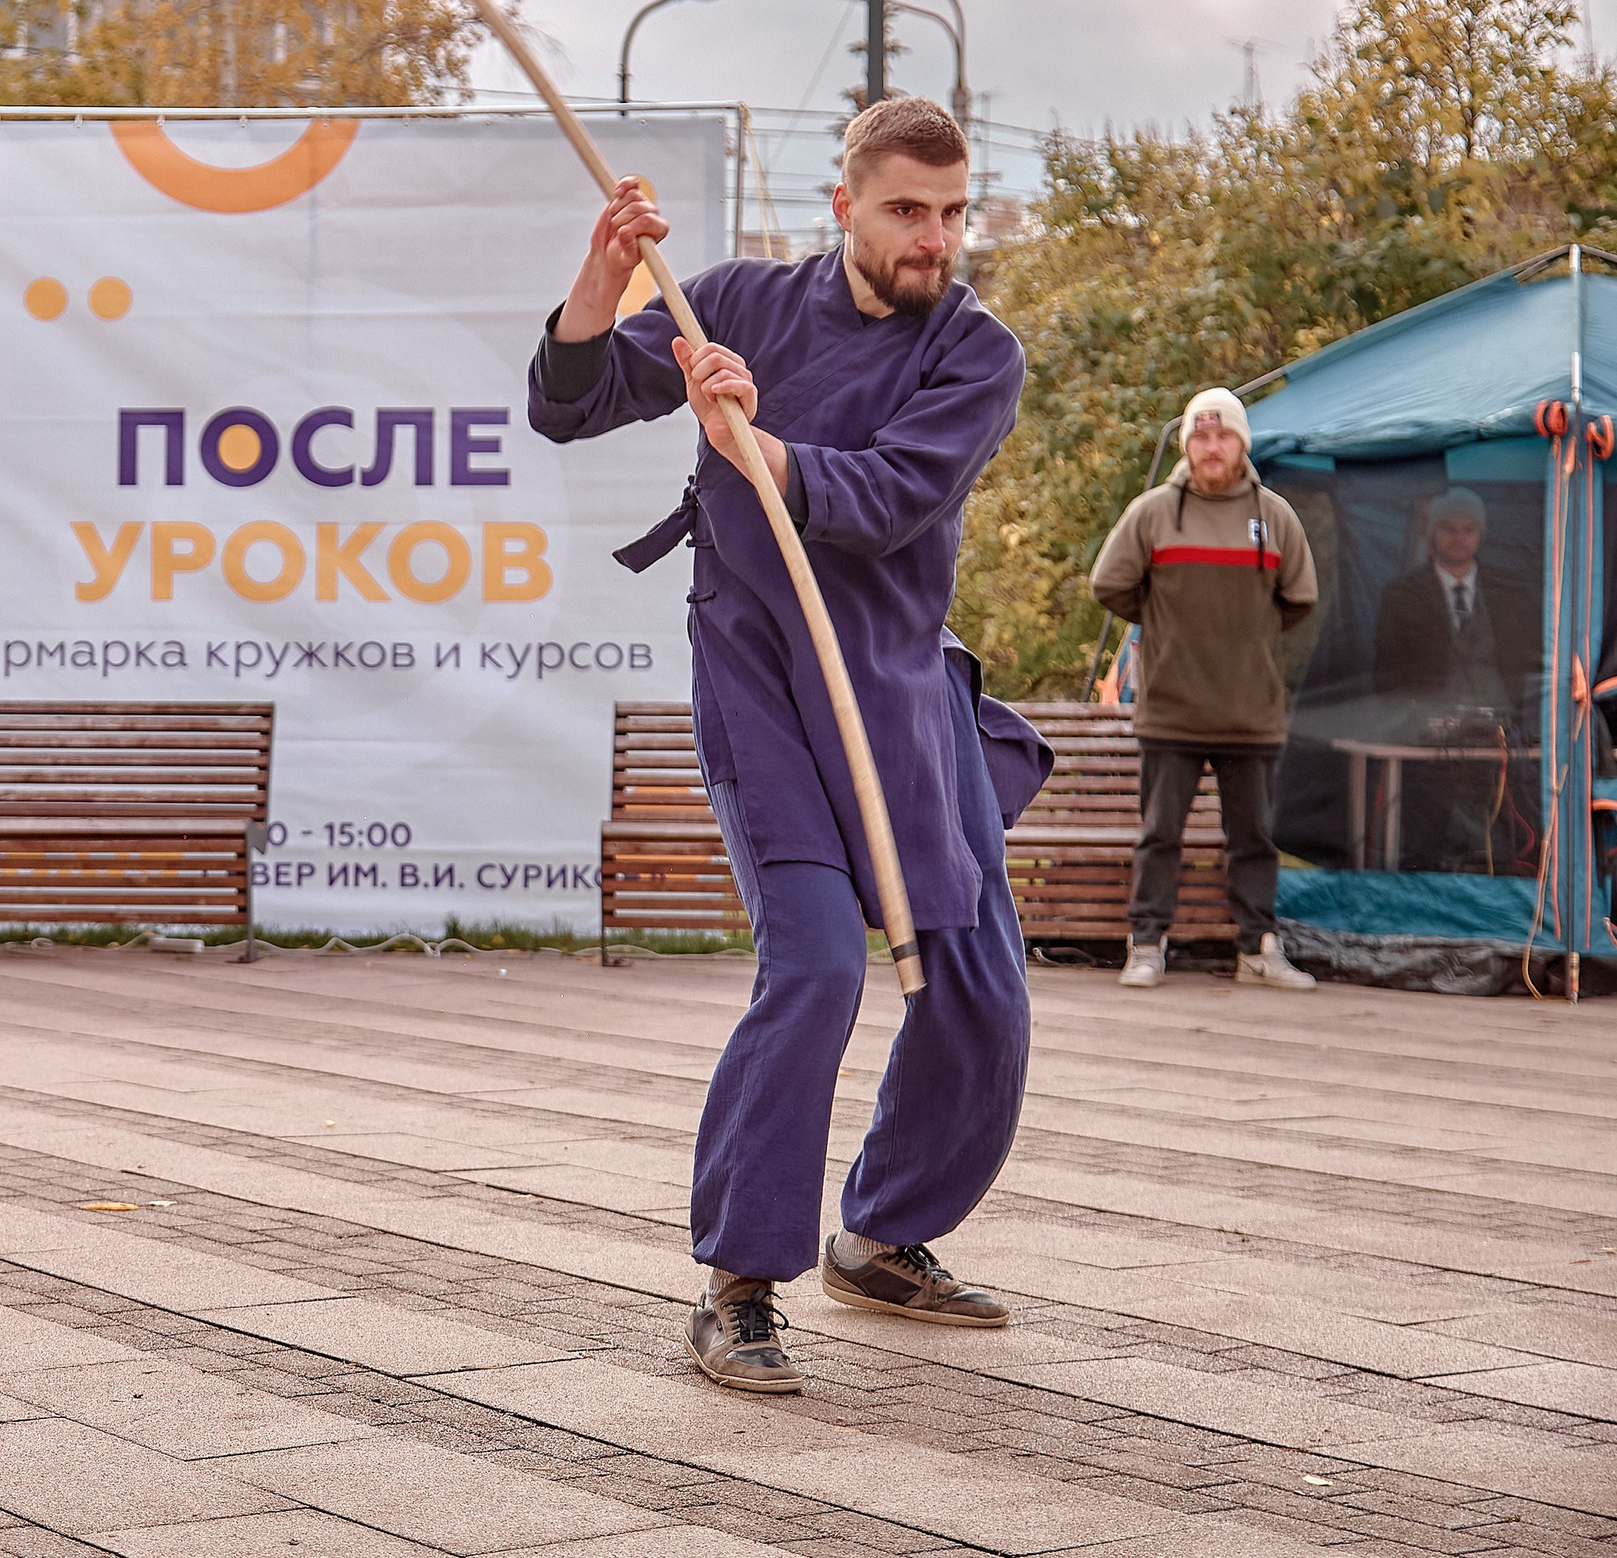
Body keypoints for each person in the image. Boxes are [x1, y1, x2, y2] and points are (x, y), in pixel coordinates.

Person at [528, 97, 1046, 1397]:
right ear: (847, 206)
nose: (933, 238)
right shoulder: (736, 305)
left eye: (949, 211)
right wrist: (599, 282)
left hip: (902, 695)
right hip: (763, 692)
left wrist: (749, 442)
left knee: (979, 990)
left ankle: (878, 1232)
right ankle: (740, 1286)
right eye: (905, 211)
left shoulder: (977, 352)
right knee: (817, 968)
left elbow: (890, 498)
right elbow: (568, 404)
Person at [1090, 389, 1318, 990]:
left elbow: (1299, 599)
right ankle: (1145, 945)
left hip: (1252, 711)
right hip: (1171, 710)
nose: (1211, 447)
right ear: (1188, 444)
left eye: (1223, 437)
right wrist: (1166, 623)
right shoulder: (1153, 513)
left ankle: (1258, 951)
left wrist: (1247, 638)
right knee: (1160, 835)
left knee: (1255, 839)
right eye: (1201, 436)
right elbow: (1109, 584)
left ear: (1241, 444)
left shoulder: (1275, 517)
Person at [1370, 487, 1538, 869]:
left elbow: (1529, 664)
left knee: (1497, 828)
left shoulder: (1511, 595)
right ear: (1432, 533)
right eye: (1448, 528)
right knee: (1426, 829)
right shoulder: (1401, 595)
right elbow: (1386, 672)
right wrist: (1409, 719)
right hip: (1424, 745)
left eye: (1468, 529)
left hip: (1499, 741)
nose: (1459, 538)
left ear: (1481, 534)